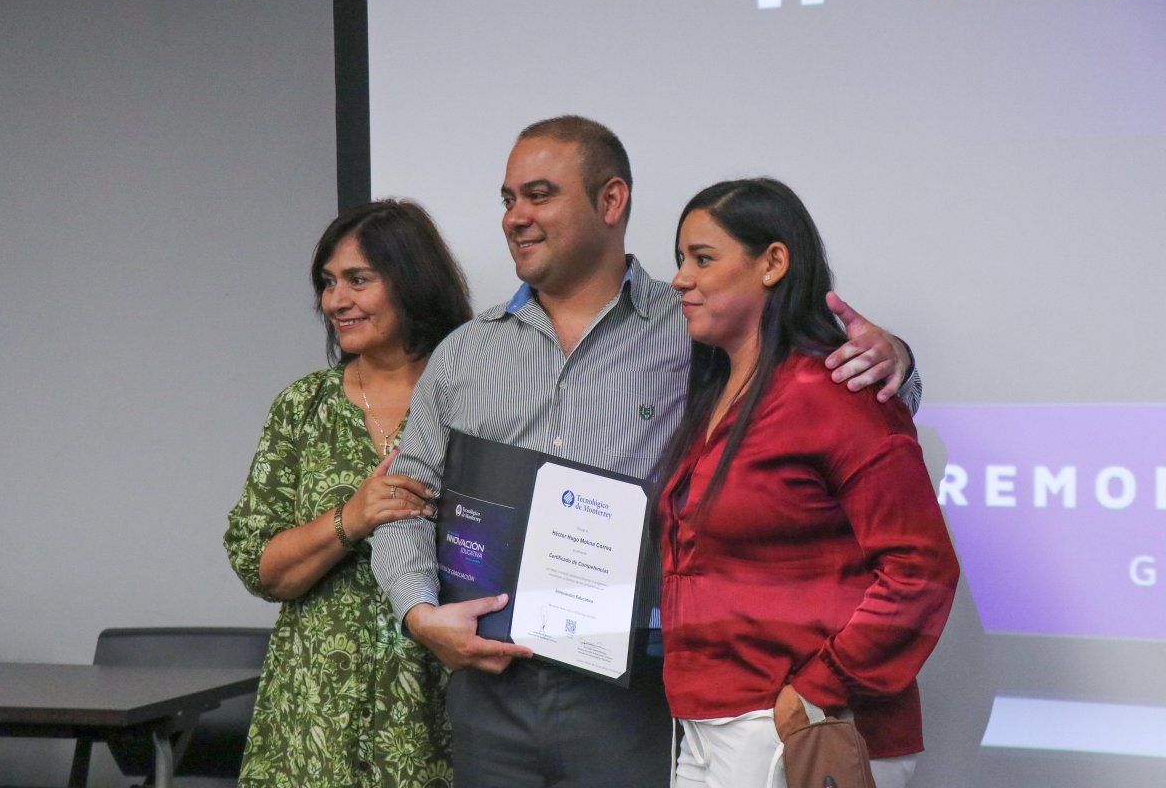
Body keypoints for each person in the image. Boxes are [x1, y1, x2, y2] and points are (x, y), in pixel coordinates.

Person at [370, 116, 922, 788]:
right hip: (491, 687)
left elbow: (842, 384)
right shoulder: (464, 353)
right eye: (508, 199)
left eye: (539, 194)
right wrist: (419, 613)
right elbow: (405, 499)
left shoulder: (697, 324)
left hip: (637, 690)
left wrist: (895, 355)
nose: (517, 216)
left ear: (611, 201)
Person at [657, 178, 959, 788]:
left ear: (773, 262)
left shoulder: (835, 391)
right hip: (709, 722)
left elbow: (921, 570)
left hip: (805, 726)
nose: (681, 278)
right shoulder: (712, 397)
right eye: (680, 260)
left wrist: (815, 694)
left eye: (703, 258)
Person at [224, 200, 472, 788]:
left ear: (412, 281)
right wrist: (351, 518)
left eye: (358, 280)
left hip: (440, 705)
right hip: (314, 714)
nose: (336, 301)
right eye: (328, 284)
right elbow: (261, 568)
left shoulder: (475, 397)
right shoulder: (303, 406)